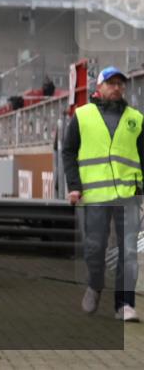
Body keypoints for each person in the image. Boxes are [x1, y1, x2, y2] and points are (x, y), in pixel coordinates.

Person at [62, 66, 143, 322]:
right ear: (99, 87)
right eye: (112, 83)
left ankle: (124, 304)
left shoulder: (136, 119)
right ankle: (95, 285)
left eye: (121, 83)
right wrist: (74, 186)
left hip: (129, 194)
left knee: (129, 251)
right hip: (95, 196)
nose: (117, 87)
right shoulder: (82, 116)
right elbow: (69, 152)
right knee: (95, 248)